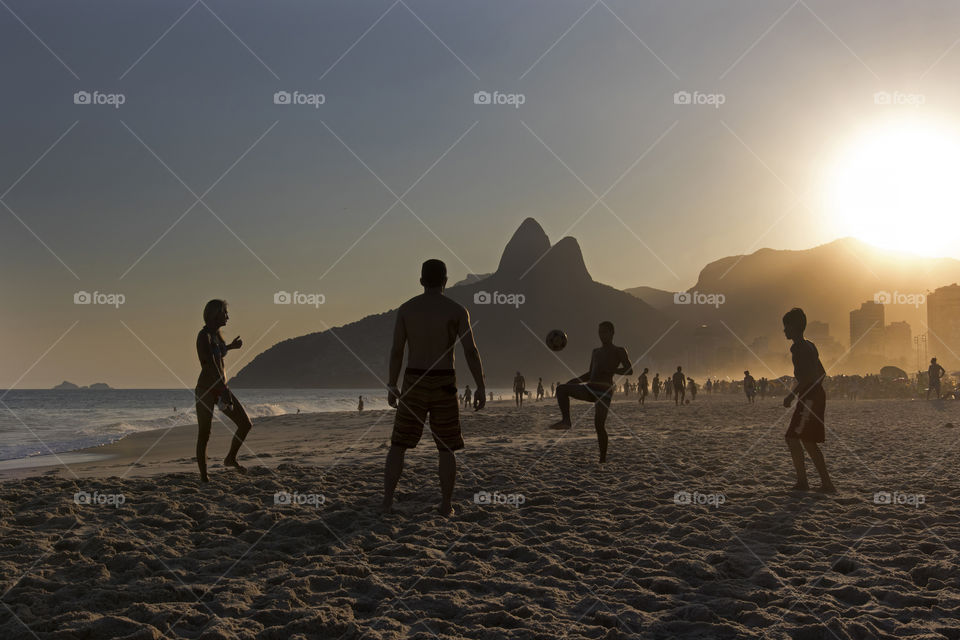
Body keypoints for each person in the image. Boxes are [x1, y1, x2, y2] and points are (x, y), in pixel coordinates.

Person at [383, 260, 485, 517]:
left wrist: (392, 384)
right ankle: (446, 504)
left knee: (398, 444)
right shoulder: (457, 310)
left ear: (420, 281)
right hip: (443, 380)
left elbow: (397, 351)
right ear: (446, 281)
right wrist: (481, 385)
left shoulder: (407, 309)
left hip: (414, 379)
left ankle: (386, 502)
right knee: (446, 447)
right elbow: (470, 352)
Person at [548, 321, 632, 463]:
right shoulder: (596, 352)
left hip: (605, 391)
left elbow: (629, 370)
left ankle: (602, 459)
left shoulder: (619, 350)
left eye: (605, 332)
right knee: (561, 389)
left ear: (612, 333)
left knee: (599, 425)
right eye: (600, 332)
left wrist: (612, 370)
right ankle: (566, 420)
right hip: (590, 387)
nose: (602, 335)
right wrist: (576, 380)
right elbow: (590, 373)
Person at [195, 299, 252, 482]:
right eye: (225, 313)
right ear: (215, 314)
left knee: (245, 424)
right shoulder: (204, 336)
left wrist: (230, 347)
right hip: (206, 390)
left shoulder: (217, 335)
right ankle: (204, 477)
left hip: (221, 388)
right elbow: (210, 364)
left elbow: (218, 353)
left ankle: (230, 458)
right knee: (205, 433)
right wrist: (223, 389)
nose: (228, 317)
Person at [782, 307, 835, 493]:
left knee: (793, 438)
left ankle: (806, 483)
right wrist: (813, 390)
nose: (784, 330)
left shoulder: (799, 348)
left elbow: (806, 378)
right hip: (816, 394)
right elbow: (822, 374)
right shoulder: (810, 345)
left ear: (794, 327)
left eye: (786, 326)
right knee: (806, 439)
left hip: (810, 396)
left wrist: (791, 395)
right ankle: (823, 483)